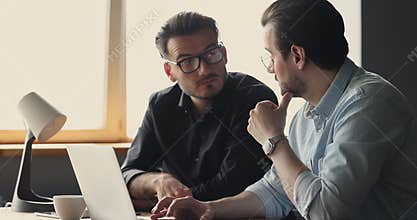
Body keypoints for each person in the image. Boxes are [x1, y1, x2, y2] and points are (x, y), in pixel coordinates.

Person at [151, 0, 417, 219]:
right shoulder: (305, 115)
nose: (269, 68)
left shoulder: (370, 102)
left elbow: (326, 212)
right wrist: (208, 208)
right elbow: (276, 190)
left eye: (271, 56)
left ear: (297, 56)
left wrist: (274, 142)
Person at [121, 12, 277, 211]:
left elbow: (232, 184)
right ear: (170, 72)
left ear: (225, 54)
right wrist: (157, 182)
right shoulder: (160, 104)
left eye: (211, 54)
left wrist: (159, 203)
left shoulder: (254, 98)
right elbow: (128, 173)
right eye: (187, 62)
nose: (204, 70)